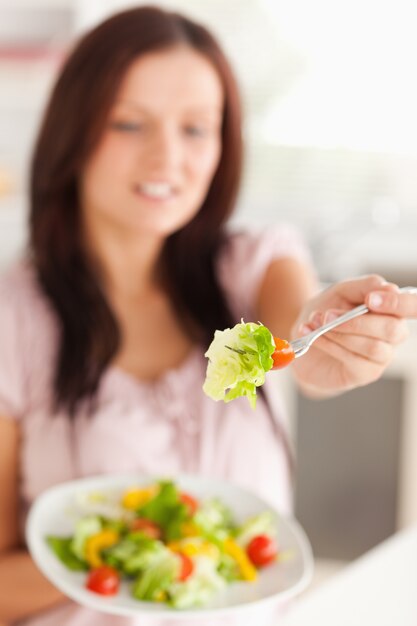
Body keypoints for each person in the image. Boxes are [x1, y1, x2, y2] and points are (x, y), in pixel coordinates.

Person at [0, 5, 416, 626]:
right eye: (128, 124)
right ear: (72, 131)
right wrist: (128, 549)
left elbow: (298, 323)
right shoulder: (14, 320)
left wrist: (327, 342)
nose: (167, 157)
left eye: (197, 128)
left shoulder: (253, 264)